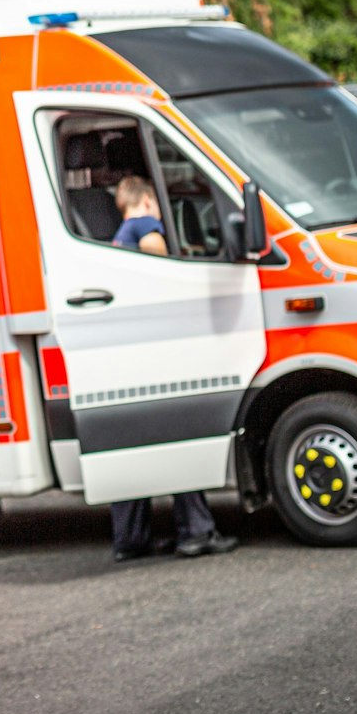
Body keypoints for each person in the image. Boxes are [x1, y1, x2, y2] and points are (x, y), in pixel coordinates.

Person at [106, 175, 240, 562]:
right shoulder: (145, 226)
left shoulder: (118, 235)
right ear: (148, 199)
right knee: (179, 434)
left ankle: (129, 540)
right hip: (156, 347)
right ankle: (196, 531)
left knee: (130, 447)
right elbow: (161, 269)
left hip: (127, 353)